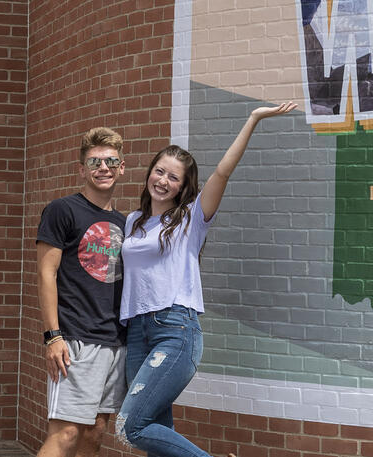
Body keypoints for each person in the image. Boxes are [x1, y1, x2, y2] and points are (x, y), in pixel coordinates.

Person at [115, 101, 297, 457]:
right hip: (137, 333)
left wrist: (253, 118)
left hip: (174, 330)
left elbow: (223, 172)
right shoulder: (133, 221)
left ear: (184, 186)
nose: (163, 181)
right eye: (159, 171)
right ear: (150, 172)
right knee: (157, 435)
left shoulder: (191, 218)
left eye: (173, 177)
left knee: (131, 426)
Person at [35, 128, 129, 457]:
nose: (103, 167)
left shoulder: (124, 222)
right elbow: (47, 273)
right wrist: (53, 336)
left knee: (96, 432)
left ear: (121, 167)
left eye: (110, 161)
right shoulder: (62, 210)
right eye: (94, 162)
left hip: (114, 341)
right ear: (81, 169)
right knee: (66, 434)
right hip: (74, 339)